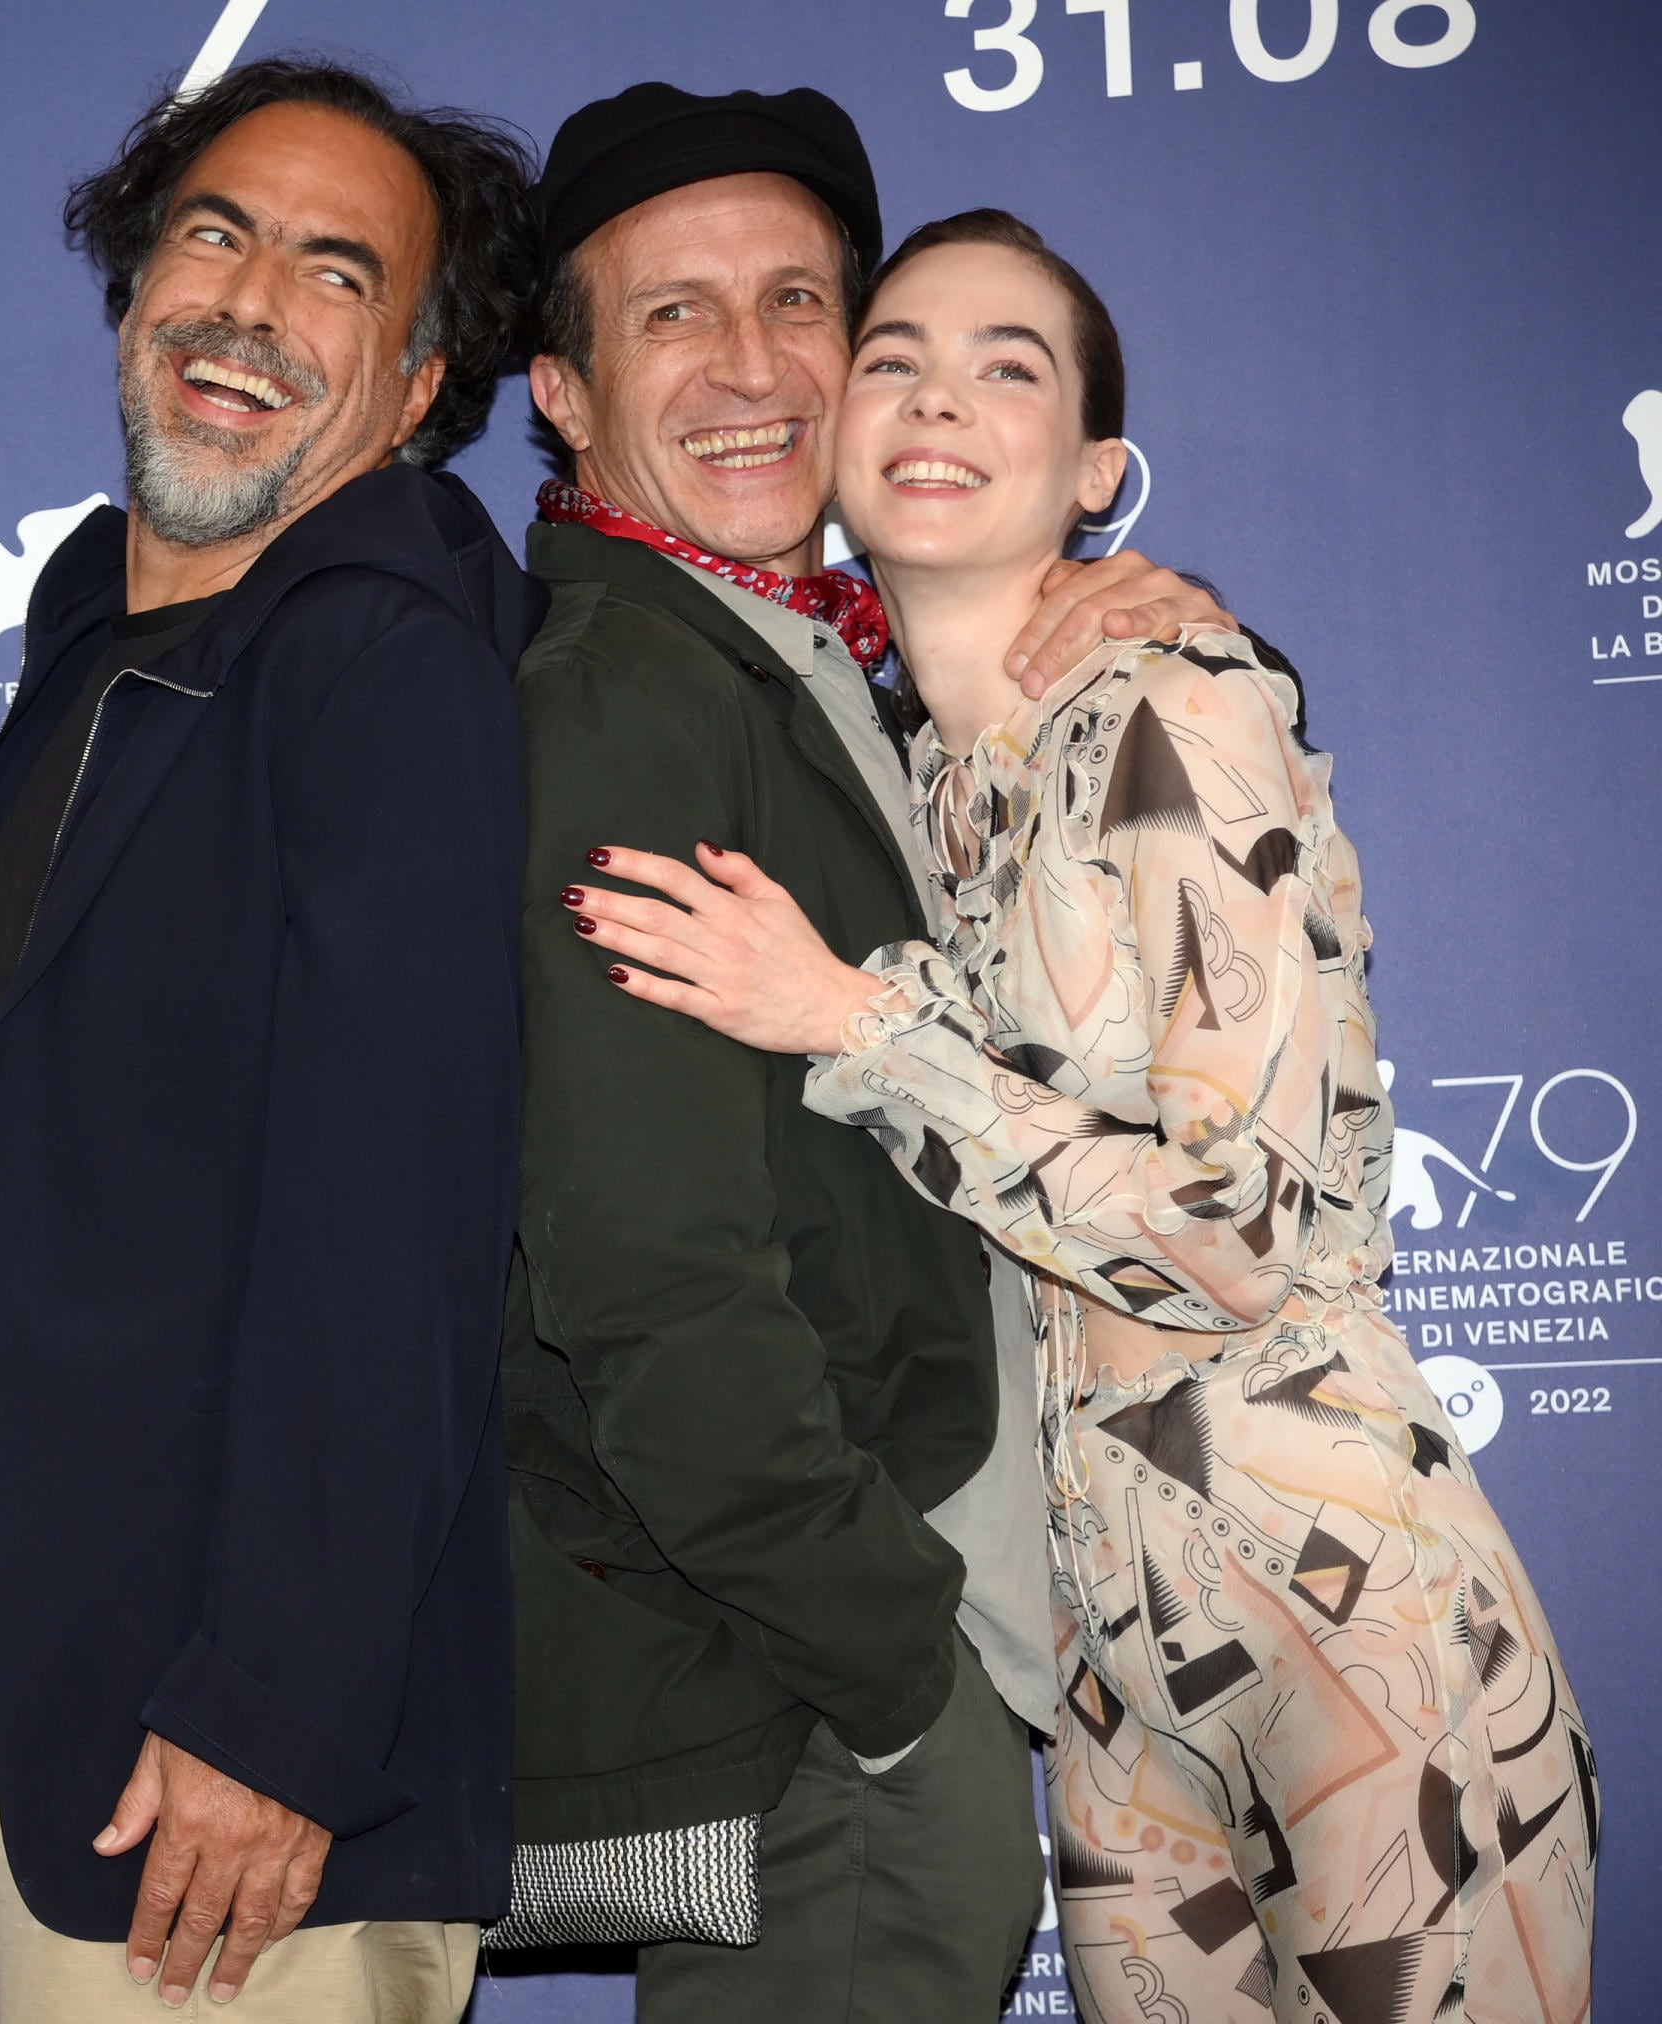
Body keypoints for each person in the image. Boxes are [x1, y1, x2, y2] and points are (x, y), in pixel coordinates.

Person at [570, 210, 1599, 2022]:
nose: (935, 399)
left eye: (1006, 367)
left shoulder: (1176, 709)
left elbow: (1254, 1233)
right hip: (1102, 1671)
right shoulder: (890, 779)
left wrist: (855, 1024)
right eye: (891, 357)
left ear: (1099, 468)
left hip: (1337, 1603)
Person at [502, 84, 1247, 2019]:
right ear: (561, 394)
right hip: (826, 1698)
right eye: (673, 314)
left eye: (800, 305)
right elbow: (646, 1275)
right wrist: (896, 1669)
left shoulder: (824, 663)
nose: (752, 368)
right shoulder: (627, 693)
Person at [0, 59, 535, 2023]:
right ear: (130, 296)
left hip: (229, 1774)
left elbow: (393, 1225)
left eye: (338, 273)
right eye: (215, 232)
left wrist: (275, 1704)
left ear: (424, 384)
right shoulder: (90, 663)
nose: (253, 302)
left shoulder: (382, 658)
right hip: (27, 1699)